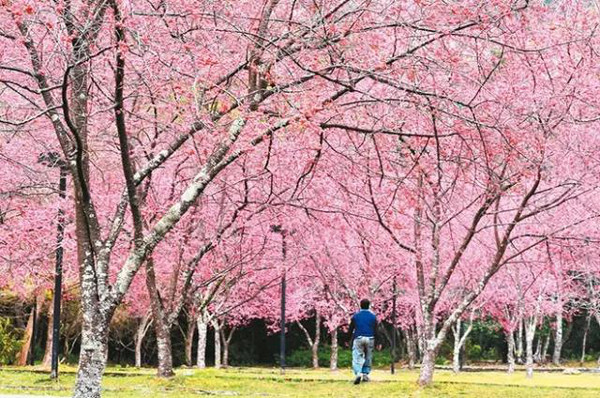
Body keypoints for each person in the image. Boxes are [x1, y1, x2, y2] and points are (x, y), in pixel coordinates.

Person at [348, 298, 378, 385]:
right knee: (368, 356)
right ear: (369, 305)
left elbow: (351, 329)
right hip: (370, 337)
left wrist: (347, 339)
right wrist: (379, 341)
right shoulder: (373, 316)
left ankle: (358, 373)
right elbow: (376, 330)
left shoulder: (356, 316)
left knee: (357, 355)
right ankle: (365, 374)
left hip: (359, 337)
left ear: (360, 305)